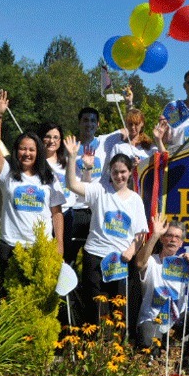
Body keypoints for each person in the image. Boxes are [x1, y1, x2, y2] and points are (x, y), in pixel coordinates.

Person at [64, 135, 149, 325]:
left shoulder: (135, 199)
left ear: (129, 172)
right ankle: (96, 349)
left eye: (123, 172)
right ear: (109, 172)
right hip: (95, 256)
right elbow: (72, 185)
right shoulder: (99, 191)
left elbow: (141, 233)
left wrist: (131, 251)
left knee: (120, 311)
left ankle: (118, 349)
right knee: (96, 309)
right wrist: (71, 158)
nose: (119, 176)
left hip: (120, 260)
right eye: (115, 172)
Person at [0, 90, 65, 277]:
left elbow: (57, 214)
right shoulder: (7, 173)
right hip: (12, 247)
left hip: (40, 247)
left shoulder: (49, 178)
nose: (27, 153)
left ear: (38, 152)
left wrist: (59, 244)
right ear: (16, 151)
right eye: (23, 148)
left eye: (31, 149)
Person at [134, 213, 189, 367]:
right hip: (152, 319)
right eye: (169, 236)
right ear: (163, 239)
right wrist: (155, 235)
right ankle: (155, 362)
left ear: (181, 243)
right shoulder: (152, 261)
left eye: (177, 237)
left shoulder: (185, 266)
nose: (173, 240)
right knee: (150, 345)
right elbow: (139, 263)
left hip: (175, 321)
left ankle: (188, 357)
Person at [67, 107, 126, 265]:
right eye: (85, 120)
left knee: (94, 256)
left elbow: (127, 129)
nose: (89, 124)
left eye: (93, 120)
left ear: (98, 124)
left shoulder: (105, 141)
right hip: (76, 207)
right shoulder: (70, 147)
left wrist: (129, 103)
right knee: (70, 256)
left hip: (99, 207)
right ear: (79, 123)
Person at [37, 122, 76, 264]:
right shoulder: (37, 164)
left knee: (65, 255)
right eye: (47, 137)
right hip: (46, 215)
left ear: (60, 141)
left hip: (66, 214)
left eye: (56, 137)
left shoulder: (66, 162)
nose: (52, 141)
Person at [112, 85, 169, 162]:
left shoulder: (150, 146)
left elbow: (164, 160)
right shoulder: (118, 147)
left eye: (136, 124)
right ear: (125, 124)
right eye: (130, 124)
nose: (133, 127)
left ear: (142, 124)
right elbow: (113, 171)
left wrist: (158, 140)